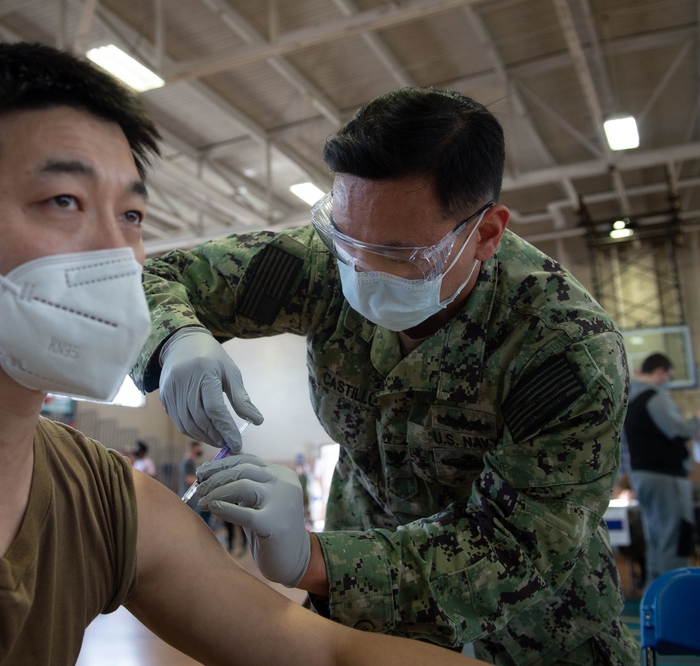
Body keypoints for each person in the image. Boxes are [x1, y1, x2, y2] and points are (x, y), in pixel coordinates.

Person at [0, 44, 476, 666]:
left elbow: (323, 649)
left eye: (132, 212)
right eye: (64, 202)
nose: (122, 253)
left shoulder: (97, 497)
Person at [132, 86, 639, 664]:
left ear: (487, 234)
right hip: (369, 616)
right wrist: (175, 339)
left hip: (535, 628)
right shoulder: (325, 263)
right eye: (347, 238)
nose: (363, 269)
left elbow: (518, 547)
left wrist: (314, 562)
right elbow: (150, 277)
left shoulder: (565, 349)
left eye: (399, 255)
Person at [624, 352, 700, 587]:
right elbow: (676, 429)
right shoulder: (655, 397)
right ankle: (672, 595)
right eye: (668, 375)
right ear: (660, 371)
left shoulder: (631, 401)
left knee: (656, 539)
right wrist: (696, 421)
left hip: (641, 476)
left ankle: (654, 595)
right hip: (665, 476)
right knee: (675, 538)